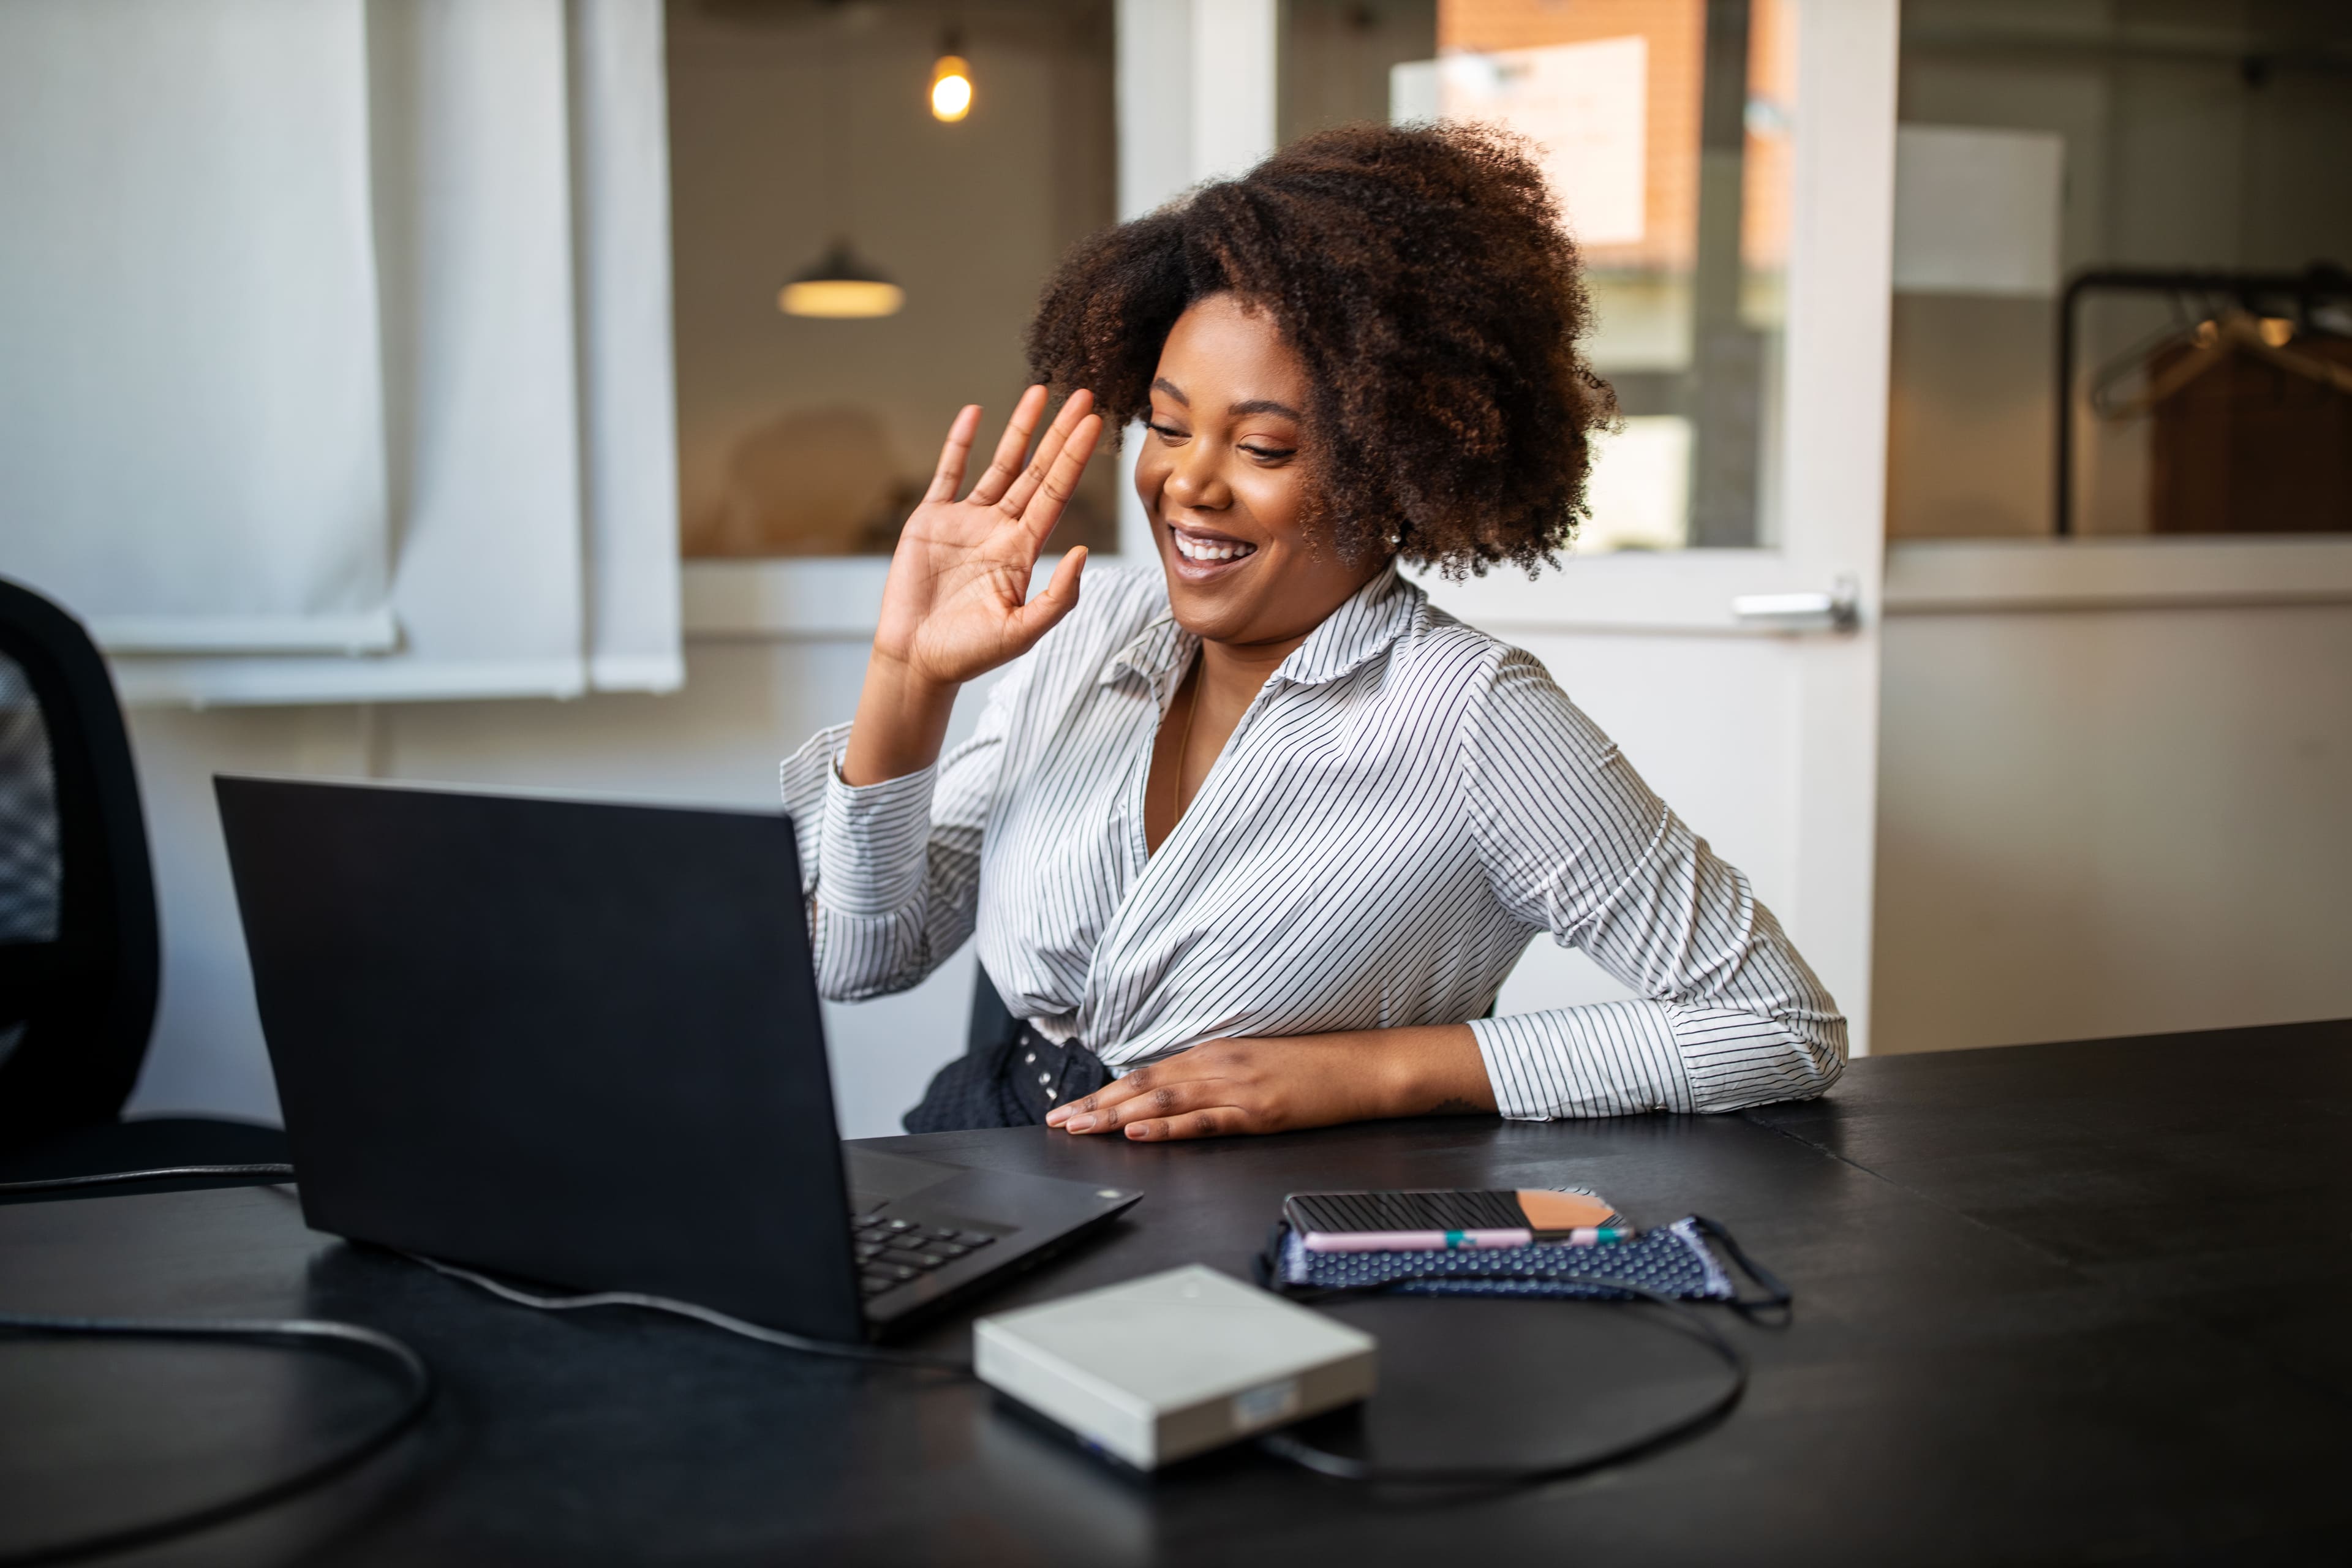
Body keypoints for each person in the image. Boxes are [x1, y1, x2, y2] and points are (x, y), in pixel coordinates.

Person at [780, 123, 1843, 1140]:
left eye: (1265, 449)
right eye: (1169, 424)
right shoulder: (1083, 628)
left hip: (1271, 1220)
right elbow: (860, 962)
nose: (1188, 485)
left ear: (1395, 470)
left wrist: (1373, 1071)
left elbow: (1780, 1027)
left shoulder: (1473, 716)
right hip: (993, 1152)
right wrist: (906, 677)